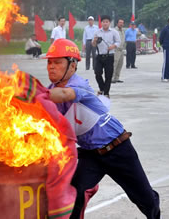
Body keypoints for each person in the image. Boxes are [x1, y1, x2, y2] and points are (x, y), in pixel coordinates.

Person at [42, 39, 160, 219]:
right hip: (91, 155)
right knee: (74, 193)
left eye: (57, 62)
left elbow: (64, 95)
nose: (51, 67)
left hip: (118, 148)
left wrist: (33, 93)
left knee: (145, 199)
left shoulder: (78, 84)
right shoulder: (49, 92)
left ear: (72, 66)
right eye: (49, 62)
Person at [92, 15, 120, 98]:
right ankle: (102, 88)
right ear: (101, 23)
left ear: (109, 23)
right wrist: (94, 41)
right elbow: (93, 45)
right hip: (99, 56)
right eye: (103, 22)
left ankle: (106, 92)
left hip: (109, 56)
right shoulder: (97, 32)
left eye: (107, 22)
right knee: (97, 73)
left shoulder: (114, 32)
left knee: (108, 75)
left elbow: (118, 42)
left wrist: (113, 46)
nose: (105, 23)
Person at [112, 19, 125, 83]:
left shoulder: (122, 31)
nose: (121, 24)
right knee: (115, 64)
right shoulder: (114, 31)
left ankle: (117, 78)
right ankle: (112, 78)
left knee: (120, 64)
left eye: (122, 23)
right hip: (116, 50)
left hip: (121, 50)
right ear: (117, 23)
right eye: (120, 22)